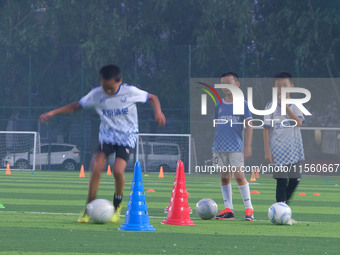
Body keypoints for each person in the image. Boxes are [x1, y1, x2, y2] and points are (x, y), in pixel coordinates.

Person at [40, 64, 166, 223]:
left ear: (119, 81)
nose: (107, 91)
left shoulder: (131, 92)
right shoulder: (96, 94)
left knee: (118, 171)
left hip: (126, 138)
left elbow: (152, 97)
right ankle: (88, 209)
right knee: (96, 166)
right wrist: (53, 112)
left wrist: (158, 111)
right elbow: (76, 106)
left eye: (110, 88)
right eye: (104, 86)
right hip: (106, 137)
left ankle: (117, 205)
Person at [213, 72, 254, 221]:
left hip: (236, 147)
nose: (225, 87)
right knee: (224, 178)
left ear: (237, 85)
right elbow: (217, 125)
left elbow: (249, 125)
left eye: (228, 83)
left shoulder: (242, 104)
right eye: (223, 84)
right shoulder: (219, 104)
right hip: (219, 147)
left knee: (239, 176)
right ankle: (228, 209)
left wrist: (248, 145)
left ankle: (249, 209)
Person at [263, 71, 304, 206]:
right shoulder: (270, 106)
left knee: (295, 179)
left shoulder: (296, 105)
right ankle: (280, 208)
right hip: (277, 150)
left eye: (284, 85)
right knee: (281, 180)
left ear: (291, 86)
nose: (281, 89)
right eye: (278, 86)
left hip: (294, 150)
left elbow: (298, 122)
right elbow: (267, 129)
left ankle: (284, 204)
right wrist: (267, 150)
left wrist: (286, 107)